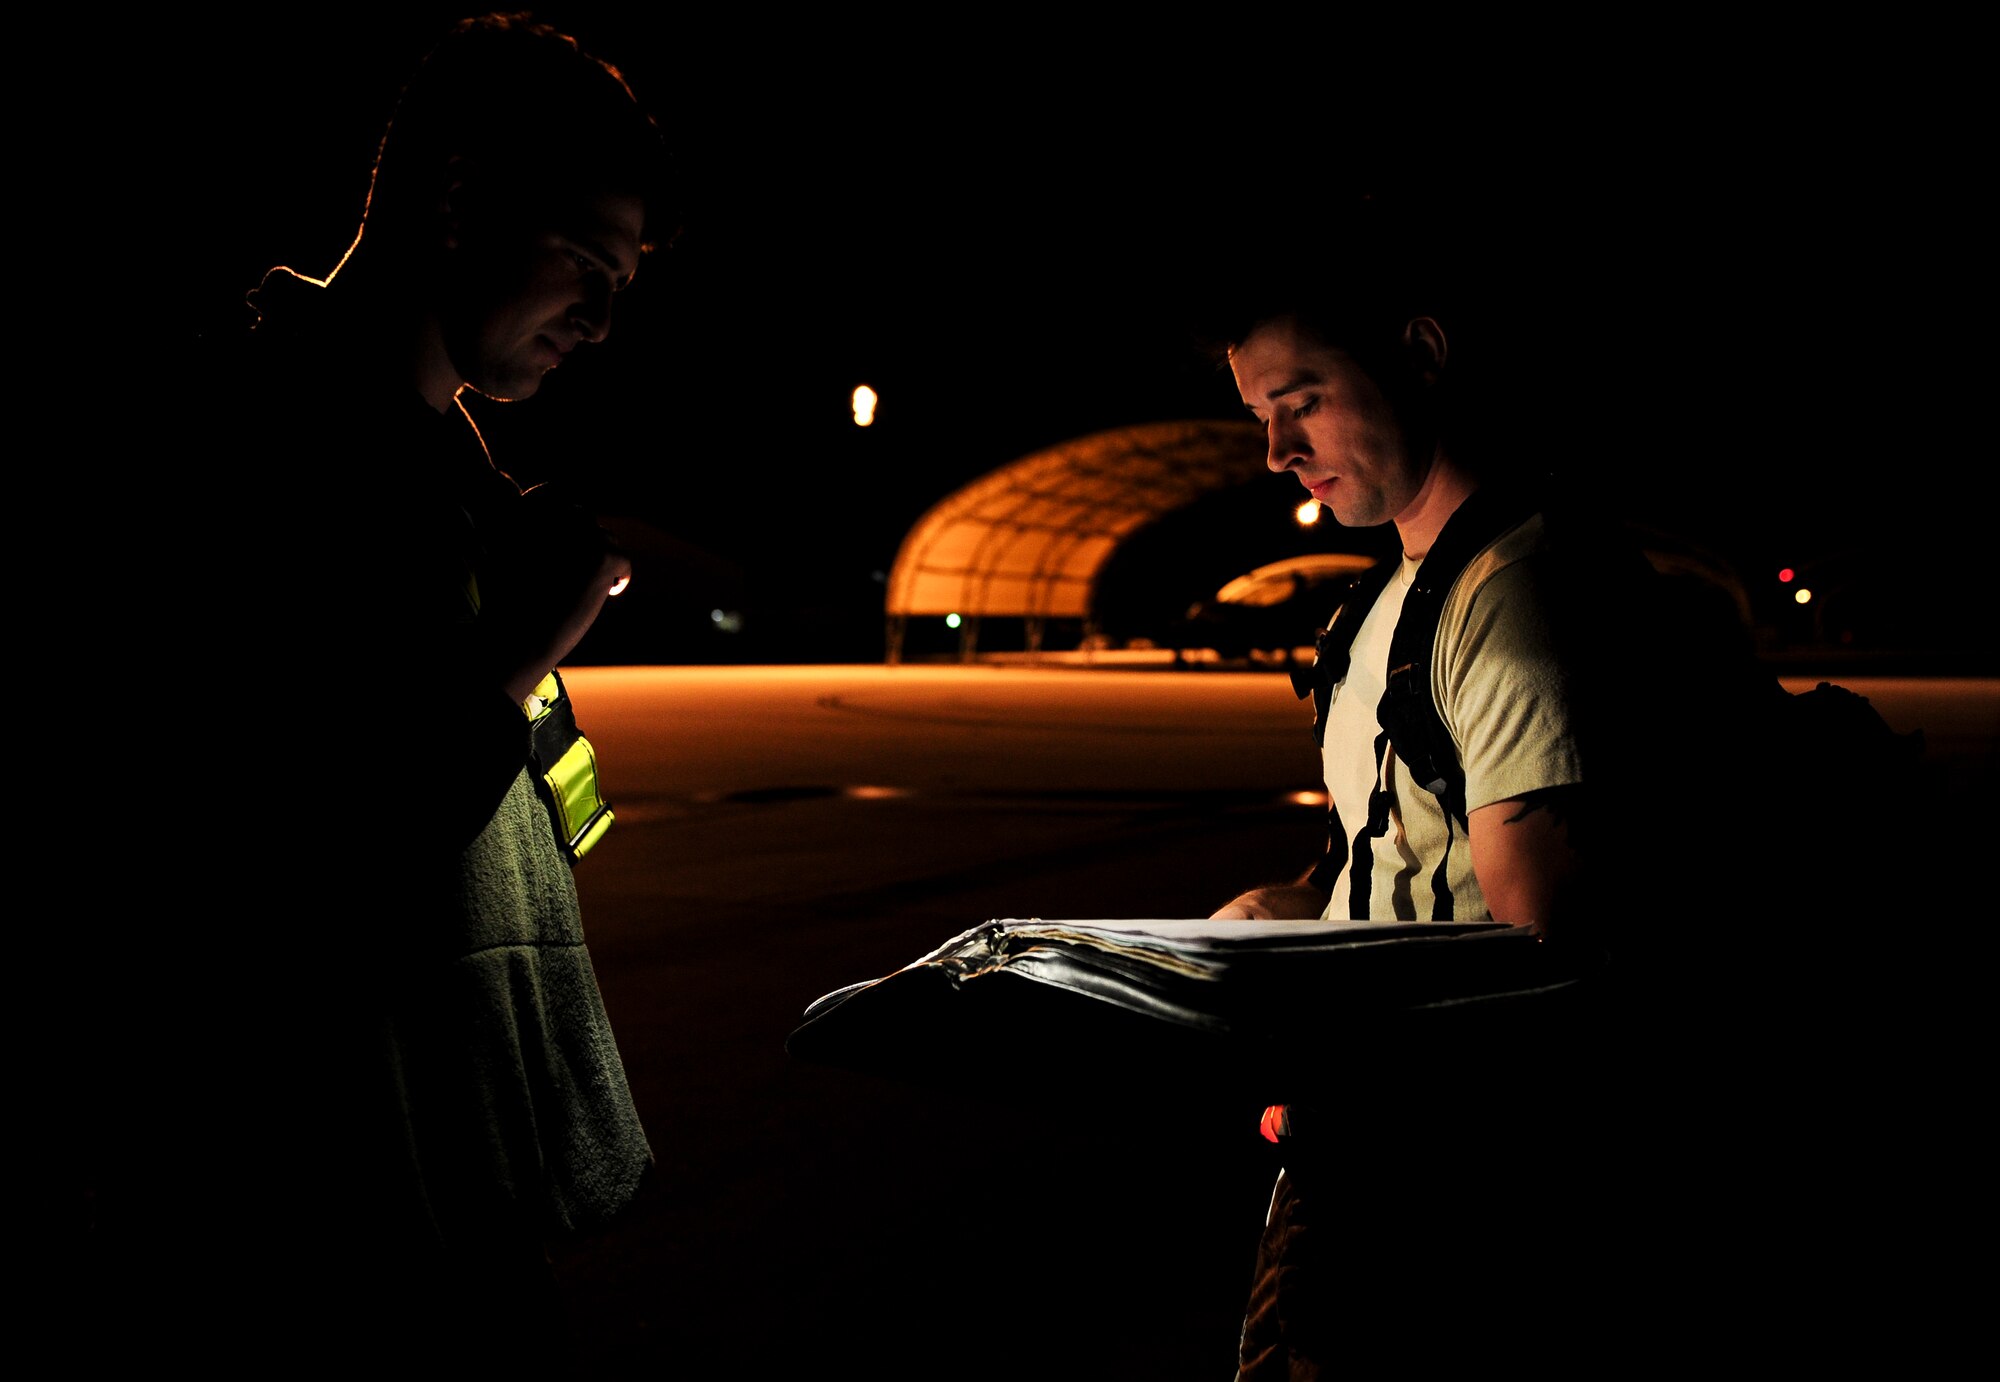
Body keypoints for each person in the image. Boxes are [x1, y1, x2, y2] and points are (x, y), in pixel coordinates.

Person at [94, 14, 676, 1365]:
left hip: (453, 1200)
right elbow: (280, 857)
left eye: (621, 284)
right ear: (458, 196)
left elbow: (551, 823)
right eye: (584, 265)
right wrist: (517, 650)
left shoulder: (457, 484)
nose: (597, 322)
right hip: (293, 1229)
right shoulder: (243, 438)